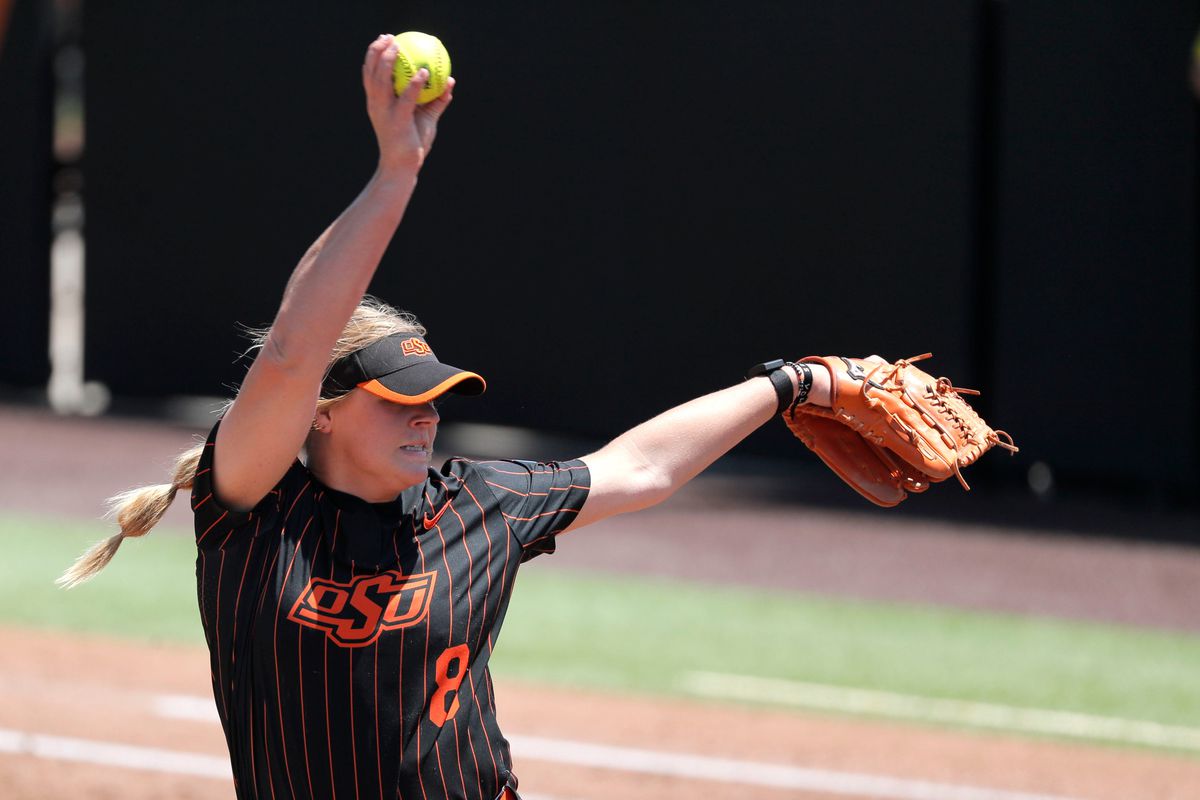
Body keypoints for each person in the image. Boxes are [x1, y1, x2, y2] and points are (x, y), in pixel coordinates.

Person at [59, 34, 833, 800]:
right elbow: (295, 349)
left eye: (433, 397)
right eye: (399, 398)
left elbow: (641, 467)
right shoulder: (259, 517)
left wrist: (791, 383)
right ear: (320, 415)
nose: (426, 416)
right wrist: (396, 173)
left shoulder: (477, 504)